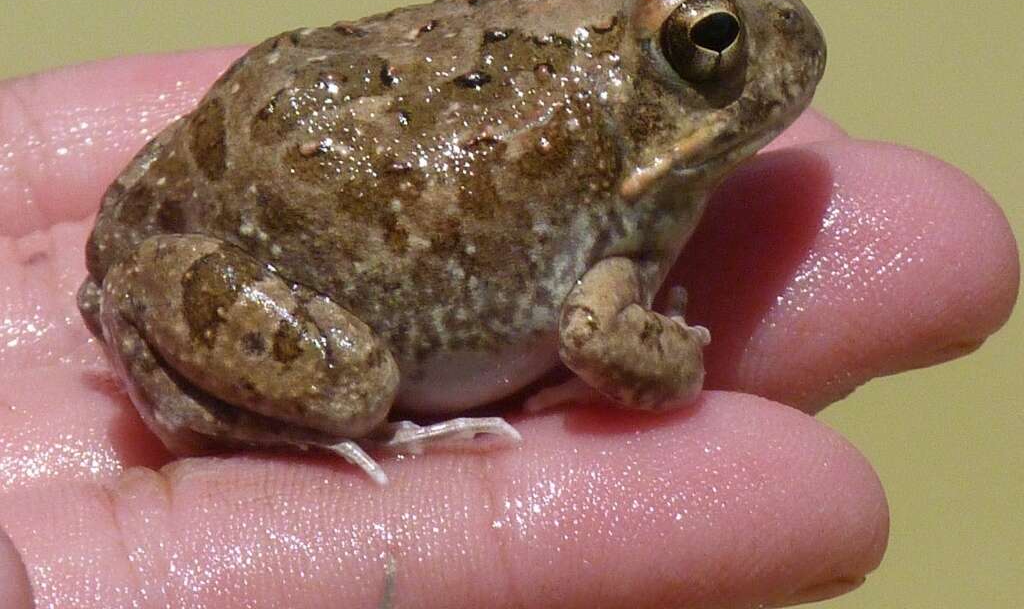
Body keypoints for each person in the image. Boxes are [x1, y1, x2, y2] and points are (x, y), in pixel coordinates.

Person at [0, 49, 1017, 608]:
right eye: (711, 47)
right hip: (290, 265)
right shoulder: (615, 217)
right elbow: (609, 344)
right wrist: (682, 352)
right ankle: (227, 387)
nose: (768, 47)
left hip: (265, 154)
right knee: (352, 387)